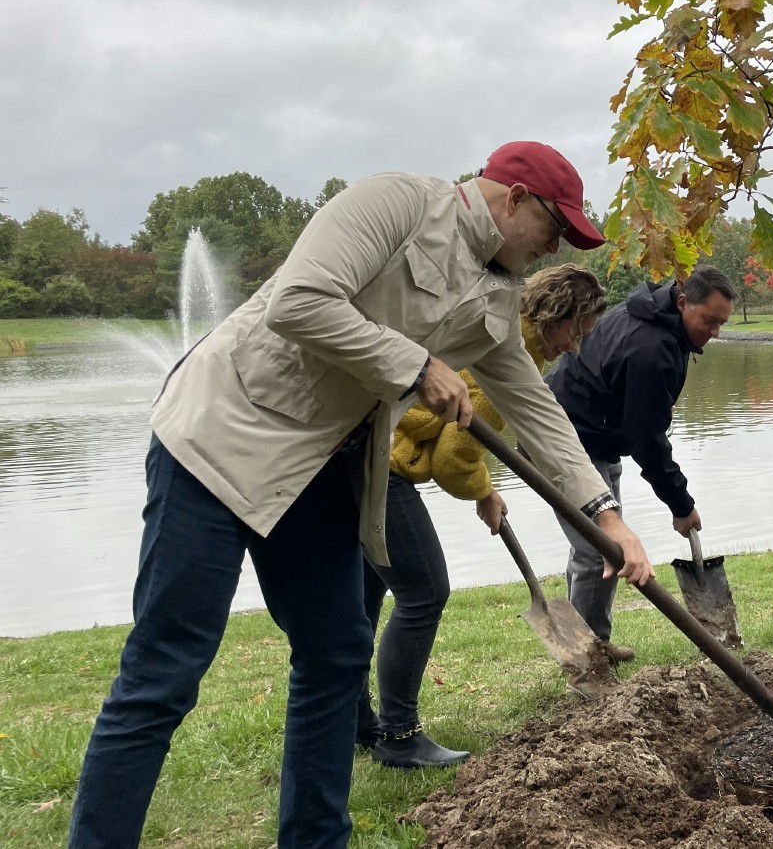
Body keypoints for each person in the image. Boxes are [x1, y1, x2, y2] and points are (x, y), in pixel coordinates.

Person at [69, 142, 654, 849]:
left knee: (337, 651)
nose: (554, 244)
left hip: (320, 464)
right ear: (516, 198)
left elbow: (539, 411)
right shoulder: (397, 203)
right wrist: (415, 363)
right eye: (553, 226)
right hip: (218, 438)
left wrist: (608, 520)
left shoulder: (499, 300)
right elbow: (298, 301)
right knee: (167, 667)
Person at [359, 263, 611, 768]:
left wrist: (482, 489)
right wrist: (482, 489)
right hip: (385, 469)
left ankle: (355, 722)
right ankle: (399, 734)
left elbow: (446, 444)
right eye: (575, 331)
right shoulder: (505, 356)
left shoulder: (487, 325)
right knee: (425, 592)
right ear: (554, 315)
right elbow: (453, 461)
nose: (574, 345)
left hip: (361, 453)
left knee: (366, 596)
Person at [544, 266, 736, 664]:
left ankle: (591, 640)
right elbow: (646, 440)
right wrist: (680, 505)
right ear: (683, 302)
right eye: (710, 321)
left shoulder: (654, 312)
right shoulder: (652, 348)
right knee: (600, 551)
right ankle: (583, 660)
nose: (715, 332)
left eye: (722, 323)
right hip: (565, 440)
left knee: (592, 550)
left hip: (597, 436)